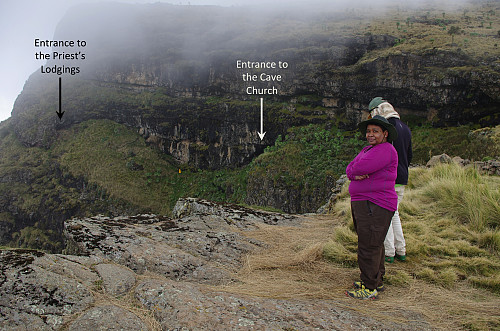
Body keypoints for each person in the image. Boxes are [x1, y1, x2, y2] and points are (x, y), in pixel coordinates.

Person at [345, 115, 398, 299]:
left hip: (375, 203)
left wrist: (353, 171)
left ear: (385, 133)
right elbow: (351, 168)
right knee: (374, 243)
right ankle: (376, 280)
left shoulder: (385, 150)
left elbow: (358, 168)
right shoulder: (369, 149)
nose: (370, 134)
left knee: (368, 245)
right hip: (366, 202)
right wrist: (352, 172)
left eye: (375, 131)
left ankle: (369, 288)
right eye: (368, 131)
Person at [368, 97, 413, 263]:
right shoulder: (405, 128)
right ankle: (400, 249)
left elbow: (381, 155)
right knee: (394, 214)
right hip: (401, 177)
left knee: (383, 215)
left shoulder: (387, 129)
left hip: (388, 179)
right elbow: (409, 156)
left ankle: (388, 252)